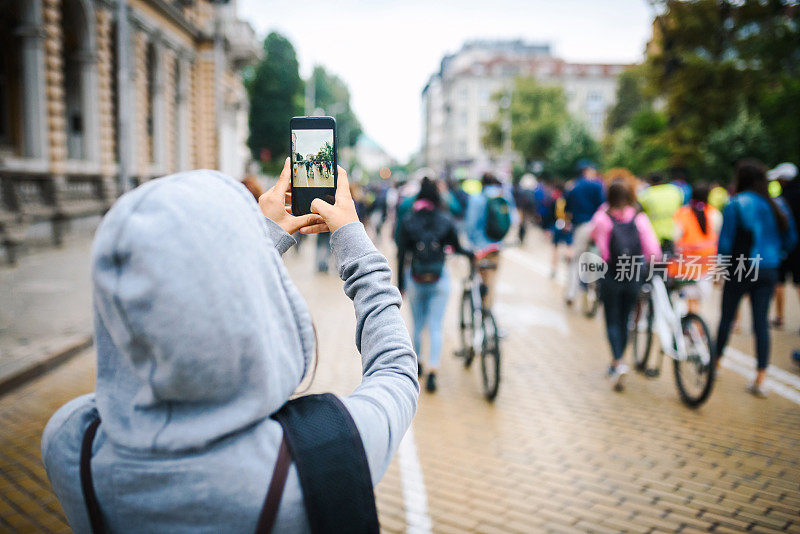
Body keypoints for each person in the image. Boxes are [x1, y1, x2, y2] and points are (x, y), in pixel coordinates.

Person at [41, 160, 419, 532]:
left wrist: (259, 239)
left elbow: (154, 343)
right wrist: (352, 240)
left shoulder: (71, 443)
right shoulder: (324, 455)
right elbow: (395, 371)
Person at [715, 159, 797, 398]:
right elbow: (790, 239)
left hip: (742, 268)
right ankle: (761, 377)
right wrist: (777, 256)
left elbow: (726, 243)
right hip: (768, 268)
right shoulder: (777, 204)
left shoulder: (735, 204)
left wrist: (720, 271)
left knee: (727, 317)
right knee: (761, 322)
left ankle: (716, 363)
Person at [396, 178, 471, 393]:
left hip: (416, 278)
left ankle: (417, 364)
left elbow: (402, 254)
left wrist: (400, 285)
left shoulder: (409, 220)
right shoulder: (445, 219)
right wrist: (470, 254)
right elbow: (457, 247)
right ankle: (433, 370)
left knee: (418, 324)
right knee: (436, 326)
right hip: (439, 278)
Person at [590, 179, 661, 391]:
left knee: (611, 319)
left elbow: (602, 253)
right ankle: (621, 359)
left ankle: (617, 361)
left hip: (611, 274)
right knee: (626, 318)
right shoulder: (639, 218)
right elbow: (653, 251)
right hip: (632, 273)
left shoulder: (602, 218)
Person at [464, 172, 517, 307]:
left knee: (476, 278)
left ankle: (476, 308)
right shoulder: (504, 196)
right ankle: (487, 311)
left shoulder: (476, 198)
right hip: (496, 246)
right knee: (491, 282)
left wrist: (471, 244)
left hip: (479, 248)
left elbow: (470, 224)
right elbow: (513, 220)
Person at [668, 183, 722, 314]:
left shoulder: (682, 213)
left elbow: (674, 237)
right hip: (707, 266)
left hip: (686, 267)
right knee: (697, 302)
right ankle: (696, 329)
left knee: (689, 301)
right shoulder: (714, 213)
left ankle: (693, 329)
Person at [564, 162, 605, 306]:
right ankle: (592, 293)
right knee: (593, 260)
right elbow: (603, 206)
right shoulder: (597, 186)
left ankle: (571, 292)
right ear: (588, 170)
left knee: (575, 260)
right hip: (596, 226)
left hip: (580, 226)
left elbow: (567, 208)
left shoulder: (573, 186)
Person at [768, 163, 800, 330]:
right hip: (797, 248)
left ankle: (779, 317)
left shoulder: (781, 200)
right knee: (798, 282)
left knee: (779, 282)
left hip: (784, 246)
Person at [637, 172, 684, 252]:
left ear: (650, 181)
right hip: (674, 232)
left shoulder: (645, 194)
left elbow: (639, 211)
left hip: (654, 235)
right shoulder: (675, 191)